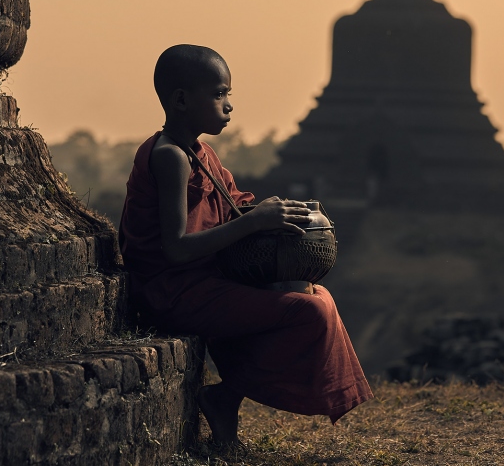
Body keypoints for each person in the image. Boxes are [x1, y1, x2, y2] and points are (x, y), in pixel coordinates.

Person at [119, 44, 372, 445]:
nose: (228, 106)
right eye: (219, 95)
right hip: (174, 291)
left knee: (313, 294)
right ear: (182, 100)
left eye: (228, 96)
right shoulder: (170, 157)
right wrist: (255, 221)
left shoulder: (202, 154)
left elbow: (235, 207)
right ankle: (225, 395)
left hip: (207, 280)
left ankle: (228, 397)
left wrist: (280, 215)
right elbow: (177, 249)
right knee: (310, 313)